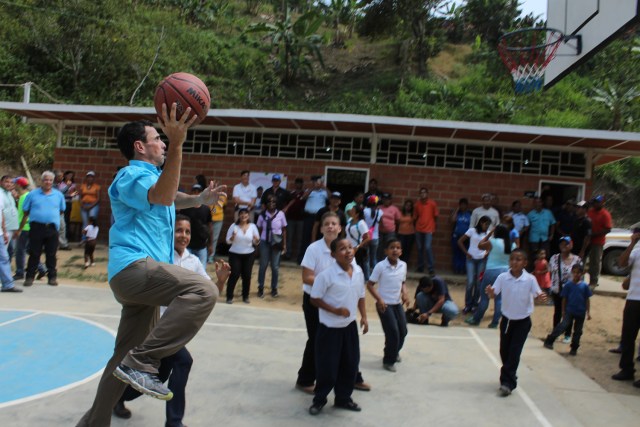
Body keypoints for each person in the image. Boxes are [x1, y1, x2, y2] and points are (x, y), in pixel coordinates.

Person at [76, 107, 224, 427]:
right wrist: (180, 143)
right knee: (203, 290)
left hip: (141, 280)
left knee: (120, 359)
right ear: (139, 147)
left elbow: (172, 196)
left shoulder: (153, 177)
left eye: (165, 140)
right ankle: (143, 361)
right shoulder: (130, 175)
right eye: (158, 139)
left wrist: (200, 199)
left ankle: (93, 423)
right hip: (135, 268)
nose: (164, 143)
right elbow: (163, 195)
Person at [114, 214, 231, 425]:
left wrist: (220, 281)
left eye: (187, 231)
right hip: (156, 325)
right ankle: (174, 421)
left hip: (173, 329)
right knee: (183, 362)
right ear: (170, 232)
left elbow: (209, 292)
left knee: (159, 374)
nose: (183, 235)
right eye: (179, 230)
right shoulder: (160, 256)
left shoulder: (193, 261)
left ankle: (118, 398)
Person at [308, 237, 368, 416]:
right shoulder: (326, 275)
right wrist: (334, 310)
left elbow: (361, 295)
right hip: (330, 328)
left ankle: (343, 398)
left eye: (350, 247)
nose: (348, 251)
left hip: (349, 327)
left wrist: (364, 316)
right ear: (333, 255)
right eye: (342, 249)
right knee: (328, 367)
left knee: (350, 364)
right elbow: (314, 299)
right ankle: (319, 400)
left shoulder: (358, 271)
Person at [485, 248, 547, 397]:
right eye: (512, 259)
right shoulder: (503, 277)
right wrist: (491, 292)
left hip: (523, 321)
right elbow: (495, 293)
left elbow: (538, 294)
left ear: (525, 263)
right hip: (507, 320)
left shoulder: (530, 279)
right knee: (504, 351)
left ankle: (507, 383)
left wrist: (540, 298)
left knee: (514, 351)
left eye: (518, 259)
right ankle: (511, 374)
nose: (514, 262)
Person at [366, 238, 409, 372]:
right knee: (393, 332)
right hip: (384, 305)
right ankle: (388, 361)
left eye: (397, 247)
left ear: (401, 251)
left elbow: (402, 282)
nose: (395, 250)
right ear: (386, 251)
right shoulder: (380, 266)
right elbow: (370, 285)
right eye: (392, 247)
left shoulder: (403, 265)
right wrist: (379, 299)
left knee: (403, 330)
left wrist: (405, 293)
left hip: (397, 304)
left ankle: (394, 351)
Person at [18, 171, 65, 287]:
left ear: (52, 182)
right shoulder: (32, 194)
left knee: (51, 254)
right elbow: (26, 210)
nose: (48, 182)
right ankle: (29, 277)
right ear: (41, 181)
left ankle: (52, 277)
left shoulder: (58, 195)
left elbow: (61, 210)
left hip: (52, 228)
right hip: (36, 227)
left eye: (50, 180)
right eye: (45, 180)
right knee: (34, 253)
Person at [465, 224, 515, 327]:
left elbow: (480, 245)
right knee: (499, 299)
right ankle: (495, 322)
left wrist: (489, 234)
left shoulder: (493, 242)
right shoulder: (512, 244)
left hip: (491, 270)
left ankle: (476, 319)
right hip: (505, 271)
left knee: (484, 297)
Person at [611, 223, 640, 388]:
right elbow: (622, 263)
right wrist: (632, 243)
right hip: (634, 299)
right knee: (628, 335)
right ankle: (627, 369)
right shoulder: (636, 250)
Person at [543, 264, 592, 355]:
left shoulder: (585, 286)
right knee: (563, 326)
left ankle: (574, 348)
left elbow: (587, 299)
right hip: (570, 311)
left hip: (581, 312)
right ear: (572, 273)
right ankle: (550, 340)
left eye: (578, 273)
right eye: (574, 272)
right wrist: (563, 310)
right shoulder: (568, 285)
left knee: (578, 331)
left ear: (582, 274)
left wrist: (588, 312)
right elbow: (564, 299)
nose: (576, 274)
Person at [549, 236, 582, 344]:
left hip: (571, 291)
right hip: (557, 289)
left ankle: (567, 334)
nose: (564, 246)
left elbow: (580, 275)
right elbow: (550, 272)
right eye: (562, 244)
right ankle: (556, 332)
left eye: (566, 244)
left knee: (569, 312)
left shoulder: (577, 259)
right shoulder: (554, 258)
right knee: (558, 311)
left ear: (571, 245)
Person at [12, 177, 46, 281]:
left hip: (24, 227)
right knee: (30, 250)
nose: (14, 185)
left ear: (19, 185)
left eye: (15, 184)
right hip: (30, 227)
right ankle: (41, 268)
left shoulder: (24, 197)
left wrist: (19, 229)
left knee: (20, 251)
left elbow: (25, 215)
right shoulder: (26, 196)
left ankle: (20, 272)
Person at [225, 208, 260, 303]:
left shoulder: (253, 226)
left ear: (248, 216)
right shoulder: (234, 226)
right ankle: (229, 296)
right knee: (235, 274)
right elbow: (227, 241)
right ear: (239, 216)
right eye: (241, 214)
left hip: (249, 254)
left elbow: (256, 242)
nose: (243, 216)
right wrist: (232, 237)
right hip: (235, 253)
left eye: (245, 214)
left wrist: (256, 240)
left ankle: (245, 296)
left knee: (247, 275)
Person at [458, 215, 490, 314]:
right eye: (485, 224)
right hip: (471, 259)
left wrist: (487, 252)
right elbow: (460, 241)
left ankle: (475, 304)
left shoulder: (488, 233)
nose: (487, 226)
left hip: (481, 260)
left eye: (488, 224)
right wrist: (466, 252)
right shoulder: (472, 231)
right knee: (470, 282)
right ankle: (468, 304)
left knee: (478, 283)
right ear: (481, 223)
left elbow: (490, 246)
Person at [257, 196, 287, 298]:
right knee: (263, 265)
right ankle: (260, 287)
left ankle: (274, 288)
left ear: (276, 203)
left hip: (276, 242)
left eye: (274, 201)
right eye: (269, 201)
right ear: (266, 204)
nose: (271, 203)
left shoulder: (281, 214)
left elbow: (284, 230)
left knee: (275, 267)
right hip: (264, 242)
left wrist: (284, 244)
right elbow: (259, 228)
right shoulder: (262, 215)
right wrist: (259, 242)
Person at [179, 183, 212, 267]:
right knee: (186, 269)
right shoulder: (185, 207)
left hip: (201, 246)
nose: (196, 193)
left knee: (202, 270)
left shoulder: (206, 208)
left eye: (198, 191)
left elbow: (210, 226)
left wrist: (210, 244)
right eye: (194, 191)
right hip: (187, 245)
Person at [299, 176, 329, 264]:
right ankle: (302, 258)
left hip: (320, 218)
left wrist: (324, 187)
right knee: (306, 237)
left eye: (318, 182)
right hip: (309, 217)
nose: (316, 183)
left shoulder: (324, 192)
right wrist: (312, 188)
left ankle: (318, 259)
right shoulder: (308, 190)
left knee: (320, 237)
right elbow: (303, 198)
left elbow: (331, 198)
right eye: (315, 182)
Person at [586, 195, 612, 288]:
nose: (596, 204)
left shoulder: (605, 214)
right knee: (583, 260)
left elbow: (608, 229)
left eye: (598, 202)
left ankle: (593, 281)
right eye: (595, 202)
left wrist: (594, 234)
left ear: (602, 203)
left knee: (595, 262)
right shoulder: (589, 212)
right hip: (587, 241)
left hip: (597, 241)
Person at [0, 184, 21, 292]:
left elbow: (1, 214)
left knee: (4, 258)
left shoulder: (3, 195)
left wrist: (4, 231)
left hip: (0, 233)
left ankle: (7, 285)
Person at [413, 187, 438, 275]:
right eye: (421, 193)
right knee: (419, 248)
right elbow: (415, 217)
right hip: (418, 229)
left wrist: (433, 226)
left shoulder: (432, 204)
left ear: (427, 194)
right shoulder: (417, 204)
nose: (423, 194)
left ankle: (431, 268)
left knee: (427, 247)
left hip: (429, 229)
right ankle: (420, 267)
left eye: (424, 192)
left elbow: (436, 216)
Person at [527, 196, 556, 268]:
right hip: (534, 239)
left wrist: (552, 234)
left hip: (545, 238)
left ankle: (544, 272)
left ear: (542, 203)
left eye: (539, 202)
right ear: (533, 204)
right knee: (534, 256)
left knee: (545, 256)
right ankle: (535, 272)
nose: (538, 204)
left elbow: (553, 224)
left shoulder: (548, 213)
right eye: (536, 202)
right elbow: (527, 227)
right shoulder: (530, 214)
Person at [346, 205, 371, 279]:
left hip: (357, 248)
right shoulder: (350, 220)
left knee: (358, 265)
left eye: (353, 211)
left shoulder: (361, 223)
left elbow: (368, 238)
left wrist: (358, 246)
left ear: (357, 214)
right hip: (349, 246)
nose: (350, 211)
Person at [284, 177, 305, 261]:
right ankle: (288, 255)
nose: (298, 185)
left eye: (300, 183)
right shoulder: (291, 193)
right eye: (297, 183)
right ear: (295, 184)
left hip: (301, 219)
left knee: (300, 238)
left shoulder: (304, 194)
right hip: (290, 218)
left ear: (302, 184)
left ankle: (299, 256)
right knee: (289, 238)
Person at [450, 198, 471, 274]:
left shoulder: (469, 214)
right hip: (456, 236)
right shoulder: (457, 213)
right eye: (461, 205)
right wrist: (457, 210)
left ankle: (463, 269)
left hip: (466, 237)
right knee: (456, 253)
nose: (463, 206)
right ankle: (456, 269)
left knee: (464, 253)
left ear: (467, 205)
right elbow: (452, 220)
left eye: (464, 205)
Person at [207, 184, 227, 263]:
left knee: (214, 238)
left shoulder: (223, 197)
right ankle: (205, 255)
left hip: (218, 219)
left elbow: (224, 207)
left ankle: (211, 257)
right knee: (207, 238)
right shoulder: (208, 196)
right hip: (209, 219)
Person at [364, 195, 383, 273]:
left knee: (366, 258)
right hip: (375, 237)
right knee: (374, 257)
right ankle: (376, 275)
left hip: (366, 237)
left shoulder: (364, 211)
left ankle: (367, 276)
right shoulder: (380, 212)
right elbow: (381, 223)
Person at [1, 175, 19, 259]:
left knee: (11, 251)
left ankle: (5, 271)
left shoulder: (10, 193)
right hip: (5, 229)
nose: (9, 184)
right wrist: (4, 230)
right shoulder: (1, 194)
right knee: (3, 253)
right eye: (6, 182)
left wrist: (16, 198)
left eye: (11, 182)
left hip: (13, 227)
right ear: (1, 183)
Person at [79, 171, 101, 239]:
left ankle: (91, 238)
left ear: (94, 178)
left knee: (92, 222)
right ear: (86, 178)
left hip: (93, 205)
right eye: (88, 177)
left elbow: (98, 198)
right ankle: (84, 239)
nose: (90, 178)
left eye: (91, 177)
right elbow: (80, 196)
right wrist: (82, 204)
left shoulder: (97, 186)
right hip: (84, 205)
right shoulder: (83, 186)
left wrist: (91, 206)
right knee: (85, 222)